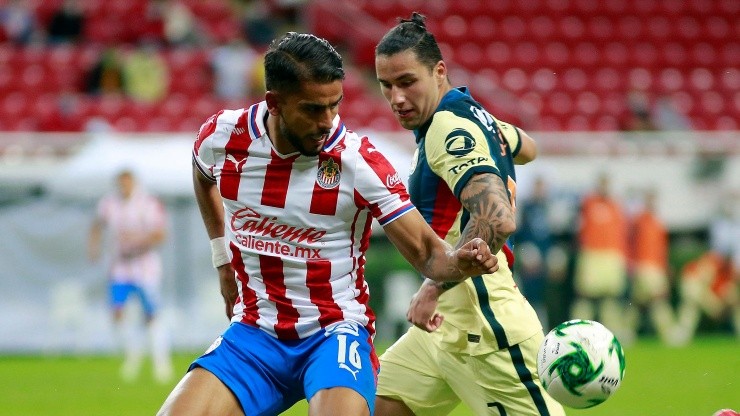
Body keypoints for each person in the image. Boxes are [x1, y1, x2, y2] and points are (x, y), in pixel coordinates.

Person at [156, 32, 498, 416]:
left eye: (334, 106)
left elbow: (427, 252)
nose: (327, 122)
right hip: (254, 331)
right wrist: (222, 259)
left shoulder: (357, 161)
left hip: (334, 333)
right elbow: (202, 176)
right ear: (274, 103)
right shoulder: (223, 137)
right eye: (313, 109)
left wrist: (459, 263)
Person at [373, 13, 565, 416]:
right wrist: (495, 134)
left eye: (407, 82)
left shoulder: (445, 127)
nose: (396, 98)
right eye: (386, 86)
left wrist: (432, 287)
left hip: (487, 325)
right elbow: (527, 146)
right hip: (442, 329)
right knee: (371, 405)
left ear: (439, 72)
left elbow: (497, 219)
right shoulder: (473, 115)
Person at [87, 169, 173, 384]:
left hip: (144, 268)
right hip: (120, 268)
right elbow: (97, 224)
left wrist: (137, 243)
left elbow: (160, 234)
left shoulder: (147, 203)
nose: (124, 187)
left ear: (134, 183)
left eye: (127, 183)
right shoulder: (109, 203)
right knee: (117, 312)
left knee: (151, 315)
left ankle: (161, 362)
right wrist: (94, 247)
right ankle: (132, 353)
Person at [571, 172, 630, 342]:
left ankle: (612, 333)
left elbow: (620, 233)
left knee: (610, 298)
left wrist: (622, 256)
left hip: (611, 256)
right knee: (585, 296)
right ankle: (577, 332)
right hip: (592, 254)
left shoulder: (615, 205)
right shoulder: (588, 203)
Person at [624, 188, 676, 343]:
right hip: (644, 266)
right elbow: (630, 242)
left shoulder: (658, 221)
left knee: (639, 302)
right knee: (657, 299)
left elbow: (661, 247)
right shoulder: (639, 220)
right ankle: (668, 331)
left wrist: (665, 266)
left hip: (656, 267)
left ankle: (626, 330)